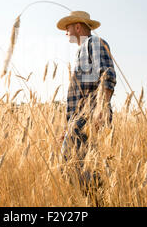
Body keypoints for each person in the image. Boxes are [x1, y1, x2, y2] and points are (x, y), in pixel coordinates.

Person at [56, 11, 116, 198]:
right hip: (79, 118)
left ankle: (96, 200)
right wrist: (68, 127)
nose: (66, 31)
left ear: (78, 27)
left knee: (72, 164)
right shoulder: (82, 51)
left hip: (90, 115)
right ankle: (96, 200)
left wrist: (100, 110)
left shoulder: (95, 43)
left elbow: (107, 76)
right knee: (80, 166)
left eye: (68, 27)